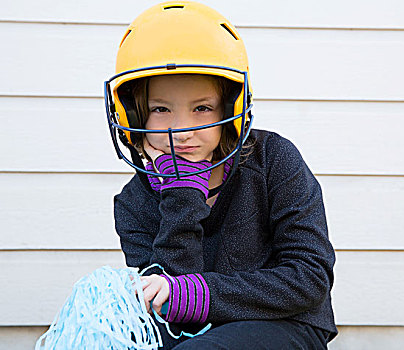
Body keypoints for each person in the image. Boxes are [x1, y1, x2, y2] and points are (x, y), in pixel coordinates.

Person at [105, 1, 338, 348]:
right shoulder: (133, 202)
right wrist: (182, 192)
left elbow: (309, 278)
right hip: (192, 335)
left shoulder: (274, 159)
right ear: (135, 116)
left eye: (202, 108)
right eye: (160, 109)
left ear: (231, 109)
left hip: (286, 323)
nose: (182, 131)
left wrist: (196, 293)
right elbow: (171, 311)